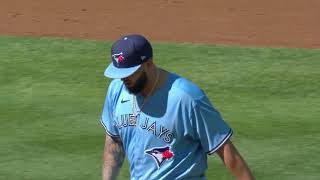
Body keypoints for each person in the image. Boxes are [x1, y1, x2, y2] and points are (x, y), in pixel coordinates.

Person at [100, 34, 254, 180]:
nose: (123, 78)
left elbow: (226, 150)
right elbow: (115, 141)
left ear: (148, 63)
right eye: (119, 73)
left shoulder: (186, 98)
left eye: (129, 73)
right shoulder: (117, 89)